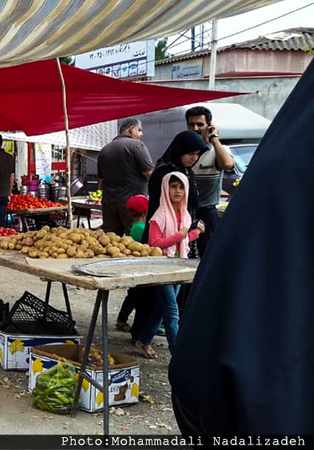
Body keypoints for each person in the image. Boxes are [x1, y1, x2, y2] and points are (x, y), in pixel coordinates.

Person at [169, 63, 314, 435]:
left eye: (203, 125)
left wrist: (214, 140)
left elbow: (229, 165)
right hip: (193, 226)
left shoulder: (230, 152)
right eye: (194, 127)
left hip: (209, 222)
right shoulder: (180, 160)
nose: (198, 131)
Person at [134, 172, 205, 359]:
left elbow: (182, 243)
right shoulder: (160, 215)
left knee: (163, 308)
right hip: (161, 269)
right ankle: (179, 356)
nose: (177, 191)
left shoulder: (185, 215)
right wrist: (180, 235)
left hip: (179, 267)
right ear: (166, 188)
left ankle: (144, 339)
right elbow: (154, 244)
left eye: (181, 187)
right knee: (172, 313)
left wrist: (195, 232)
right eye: (173, 186)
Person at [186, 106, 235, 258]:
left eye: (200, 124)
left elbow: (227, 165)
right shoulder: (183, 150)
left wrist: (214, 139)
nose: (195, 128)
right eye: (191, 124)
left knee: (209, 255)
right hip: (184, 212)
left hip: (207, 211)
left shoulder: (218, 150)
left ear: (209, 125)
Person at [97, 118, 154, 236]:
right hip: (133, 206)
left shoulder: (104, 149)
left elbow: (100, 182)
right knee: (135, 242)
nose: (141, 134)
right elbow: (149, 173)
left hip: (109, 203)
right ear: (131, 129)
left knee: (111, 241)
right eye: (139, 130)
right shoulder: (136, 145)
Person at [115, 195, 148, 332]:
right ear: (146, 212)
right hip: (140, 268)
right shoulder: (142, 229)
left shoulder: (135, 226)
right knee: (134, 297)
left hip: (137, 267)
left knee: (133, 296)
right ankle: (122, 320)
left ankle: (122, 319)